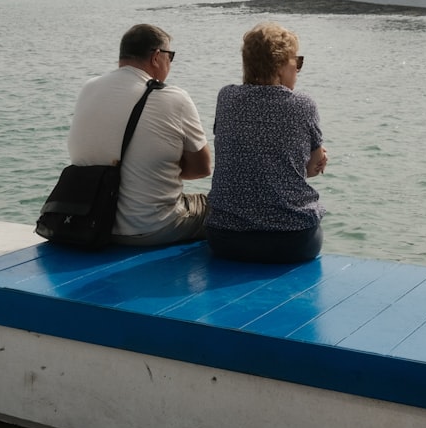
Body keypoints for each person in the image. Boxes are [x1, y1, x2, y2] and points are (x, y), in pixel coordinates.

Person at [67, 24, 211, 246]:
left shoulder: (89, 87)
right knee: (217, 206)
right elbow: (202, 168)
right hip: (154, 228)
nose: (170, 64)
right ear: (156, 57)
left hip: (92, 223)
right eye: (170, 57)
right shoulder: (175, 97)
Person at [206, 22, 328, 263]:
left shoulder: (226, 97)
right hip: (293, 240)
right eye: (297, 62)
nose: (298, 70)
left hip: (226, 237)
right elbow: (311, 169)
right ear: (281, 65)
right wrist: (319, 156)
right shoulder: (302, 105)